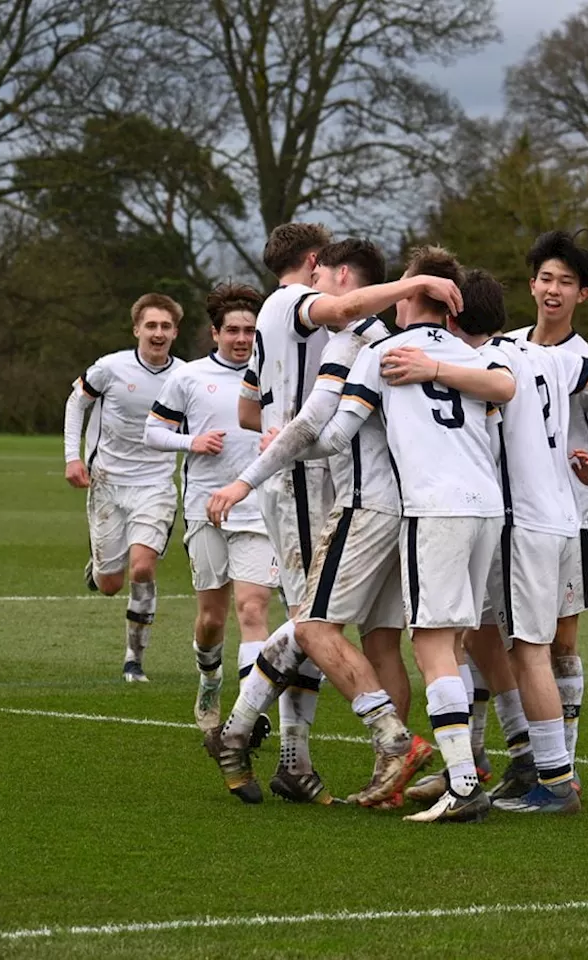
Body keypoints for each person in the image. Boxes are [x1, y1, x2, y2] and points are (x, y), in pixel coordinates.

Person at [204, 240, 475, 808]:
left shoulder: (349, 334)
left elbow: (303, 425)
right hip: (422, 506)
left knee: (311, 625)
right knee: (373, 640)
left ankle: (297, 742)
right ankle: (365, 767)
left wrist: (247, 477)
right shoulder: (440, 351)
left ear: (337, 276)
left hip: (337, 493)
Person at [380, 269, 588, 814]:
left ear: (451, 316)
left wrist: (430, 367)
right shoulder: (549, 356)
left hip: (524, 525)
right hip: (566, 520)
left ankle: (556, 782)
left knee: (530, 653)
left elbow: (498, 387)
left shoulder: (493, 360)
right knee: (486, 637)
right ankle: (524, 759)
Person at [303, 246, 515, 824]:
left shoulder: (383, 351)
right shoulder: (473, 354)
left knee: (428, 643)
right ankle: (464, 772)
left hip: (434, 508)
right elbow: (503, 390)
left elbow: (336, 434)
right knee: (453, 641)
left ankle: (464, 786)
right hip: (485, 511)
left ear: (418, 292)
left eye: (403, 287)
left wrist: (285, 445)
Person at [502, 230, 588, 786]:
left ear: (583, 295)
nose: (553, 290)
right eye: (547, 279)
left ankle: (565, 764)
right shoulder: (506, 347)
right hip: (510, 518)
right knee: (501, 636)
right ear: (532, 284)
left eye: (567, 282)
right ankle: (525, 756)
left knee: (560, 642)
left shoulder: (587, 363)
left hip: (568, 521)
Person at [140, 284, 279, 734]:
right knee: (211, 618)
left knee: (253, 609)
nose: (241, 338)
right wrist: (191, 442)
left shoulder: (275, 374)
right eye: (233, 330)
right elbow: (153, 432)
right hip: (205, 509)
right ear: (215, 332)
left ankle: (248, 714)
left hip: (259, 507)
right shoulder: (189, 377)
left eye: (250, 331)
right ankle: (209, 677)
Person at [63, 293, 185, 681]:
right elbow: (75, 402)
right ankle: (98, 568)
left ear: (176, 332)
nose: (158, 333)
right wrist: (72, 456)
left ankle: (134, 659)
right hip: (108, 483)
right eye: (151, 325)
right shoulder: (110, 368)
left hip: (155, 484)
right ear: (137, 329)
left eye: (166, 326)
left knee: (143, 568)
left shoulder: (186, 375)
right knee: (110, 583)